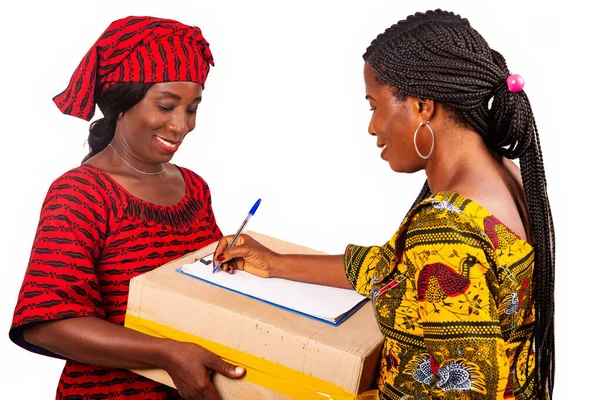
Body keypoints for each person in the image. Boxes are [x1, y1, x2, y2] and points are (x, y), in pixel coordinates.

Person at [214, 9, 554, 400]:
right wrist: (274, 263)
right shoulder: (505, 175)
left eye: (373, 105)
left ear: (423, 105)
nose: (372, 126)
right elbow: (398, 269)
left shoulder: (446, 227)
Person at [9, 16, 245, 400]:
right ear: (121, 102)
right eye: (167, 106)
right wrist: (165, 353)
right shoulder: (81, 194)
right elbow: (47, 324)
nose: (181, 125)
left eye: (192, 108)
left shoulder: (194, 188)